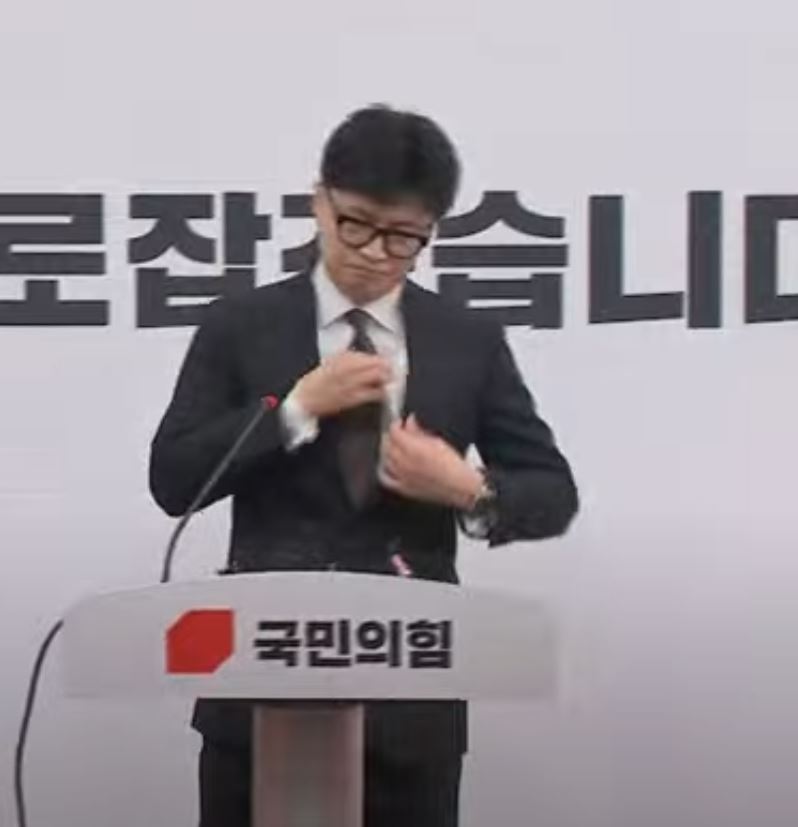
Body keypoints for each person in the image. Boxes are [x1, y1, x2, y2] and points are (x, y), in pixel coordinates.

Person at [149, 104, 578, 827]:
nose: (377, 252)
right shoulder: (240, 325)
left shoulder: (467, 338)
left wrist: (468, 489)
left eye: (404, 236)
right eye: (356, 224)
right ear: (319, 201)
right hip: (260, 688)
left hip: (411, 705)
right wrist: (293, 409)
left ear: (432, 228)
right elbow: (173, 479)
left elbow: (552, 493)